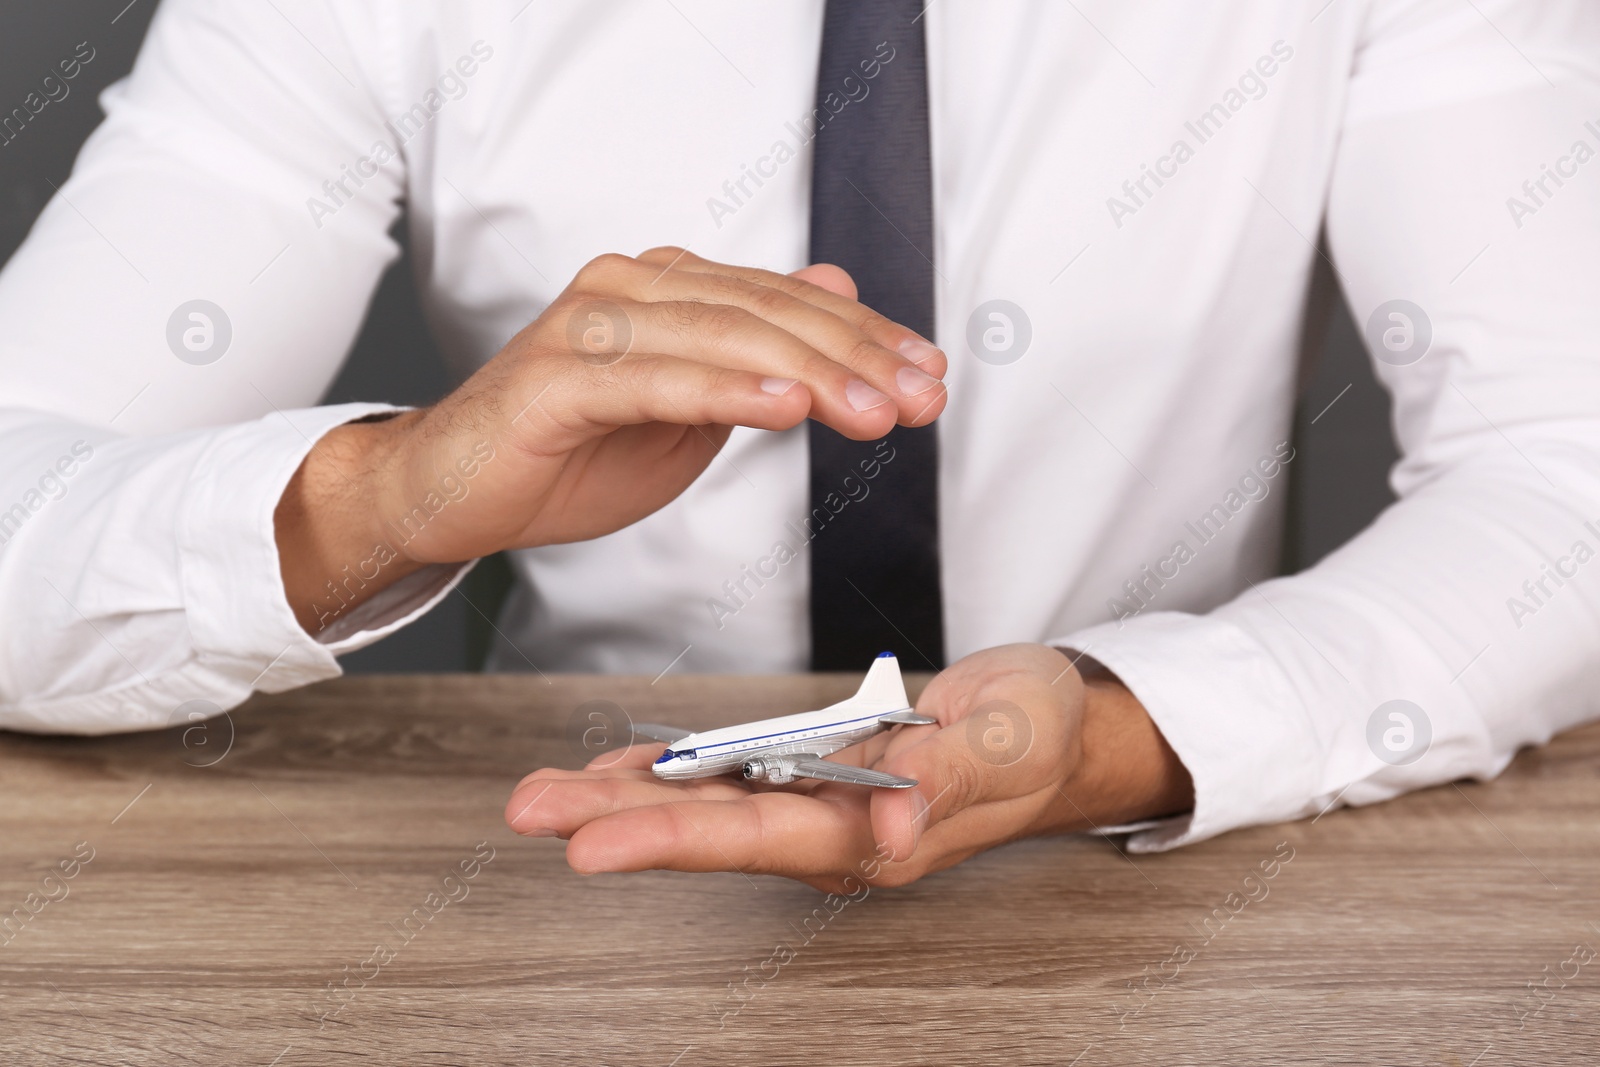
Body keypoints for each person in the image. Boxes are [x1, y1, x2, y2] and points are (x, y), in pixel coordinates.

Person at [1, 1, 1596, 891]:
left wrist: (1123, 732)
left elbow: (1565, 479)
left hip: (1158, 889)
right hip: (573, 885)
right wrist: (396, 494)